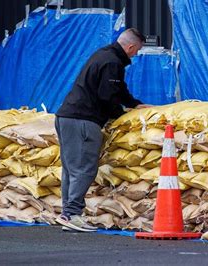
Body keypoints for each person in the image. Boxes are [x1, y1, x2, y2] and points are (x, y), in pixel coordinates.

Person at [54, 28, 148, 232]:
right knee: (84, 169)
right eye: (137, 50)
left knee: (70, 170)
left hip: (66, 117)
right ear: (130, 47)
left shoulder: (104, 55)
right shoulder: (113, 62)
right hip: (83, 121)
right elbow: (108, 96)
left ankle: (67, 213)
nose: (136, 55)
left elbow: (118, 89)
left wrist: (134, 103)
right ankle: (72, 214)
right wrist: (122, 115)